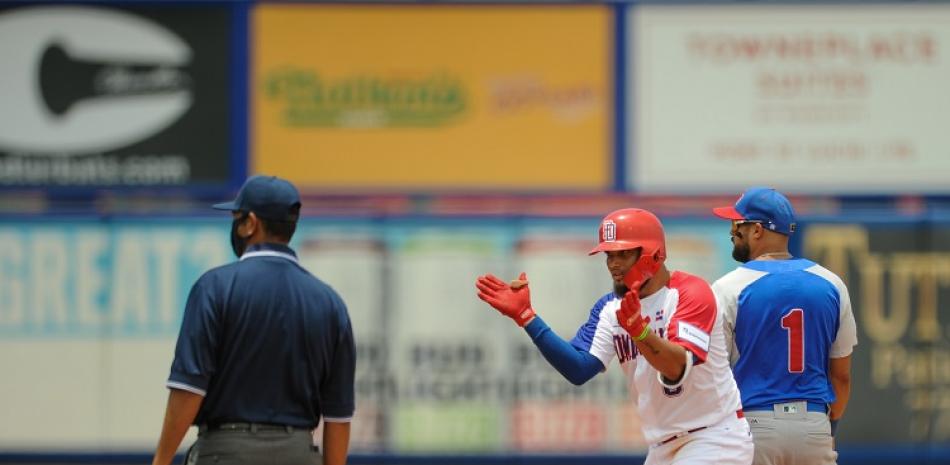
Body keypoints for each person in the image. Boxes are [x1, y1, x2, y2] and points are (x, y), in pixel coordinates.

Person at [476, 208, 753, 464]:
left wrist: (640, 332)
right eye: (609, 255)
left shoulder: (689, 293)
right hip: (662, 446)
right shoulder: (610, 309)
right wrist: (528, 318)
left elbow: (676, 367)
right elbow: (579, 368)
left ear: (653, 255)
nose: (613, 264)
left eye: (623, 254)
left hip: (714, 436)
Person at [151, 175, 356, 465]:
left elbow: (189, 389)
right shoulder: (330, 303)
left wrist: (161, 460)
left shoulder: (214, 288)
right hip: (298, 454)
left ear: (250, 223)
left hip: (225, 454)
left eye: (236, 218)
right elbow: (338, 416)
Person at [711, 187, 857, 465]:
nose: (733, 232)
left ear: (757, 230)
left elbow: (714, 372)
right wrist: (829, 428)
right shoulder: (831, 283)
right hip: (814, 424)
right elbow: (842, 377)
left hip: (754, 424)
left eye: (737, 225)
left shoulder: (728, 287)